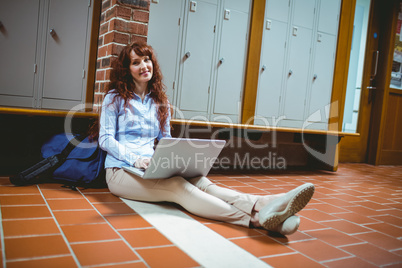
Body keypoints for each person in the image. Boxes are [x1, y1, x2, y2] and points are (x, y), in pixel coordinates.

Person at [98, 41, 315, 235]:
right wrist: (136, 159)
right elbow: (105, 140)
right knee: (177, 187)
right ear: (127, 70)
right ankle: (256, 219)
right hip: (121, 171)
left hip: (152, 166)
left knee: (202, 182)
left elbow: (166, 141)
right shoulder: (114, 98)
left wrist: (174, 160)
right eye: (136, 62)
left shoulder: (160, 101)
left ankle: (265, 203)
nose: (144, 66)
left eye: (147, 60)